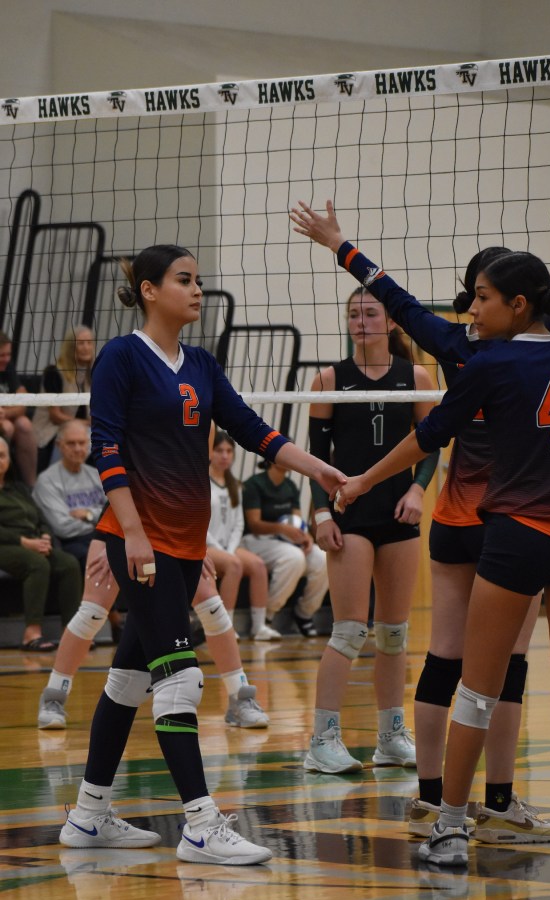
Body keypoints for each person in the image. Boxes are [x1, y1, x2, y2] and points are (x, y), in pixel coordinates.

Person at [290, 170, 550, 834]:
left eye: (481, 298)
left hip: (458, 523)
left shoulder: (458, 347)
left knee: (447, 659)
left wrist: (340, 245)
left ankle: (435, 798)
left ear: (503, 303)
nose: (475, 309)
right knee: (508, 667)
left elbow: (398, 301)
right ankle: (495, 802)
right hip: (518, 525)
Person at [336, 249, 550, 880]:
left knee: (474, 687)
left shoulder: (488, 361)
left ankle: (447, 827)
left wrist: (364, 479)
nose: (472, 308)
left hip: (514, 536)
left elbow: (430, 434)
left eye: (482, 297)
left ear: (517, 304)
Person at [58, 243, 345, 867]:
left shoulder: (203, 366)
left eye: (198, 280)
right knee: (181, 677)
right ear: (149, 290)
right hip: (140, 540)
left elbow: (253, 429)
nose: (197, 290)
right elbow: (105, 447)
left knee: (130, 679)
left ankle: (86, 817)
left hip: (183, 545)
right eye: (184, 280)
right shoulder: (120, 358)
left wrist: (320, 469)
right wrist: (130, 531)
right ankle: (199, 824)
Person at [302, 287, 437, 774]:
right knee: (350, 629)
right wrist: (320, 515)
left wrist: (419, 489)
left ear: (392, 323)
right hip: (349, 515)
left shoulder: (415, 376)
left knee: (395, 635)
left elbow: (430, 445)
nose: (361, 321)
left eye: (371, 313)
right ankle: (322, 739)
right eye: (354, 314)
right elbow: (316, 461)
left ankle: (390, 737)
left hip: (397, 514)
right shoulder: (329, 379)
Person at [37, 537, 270, 731]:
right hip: (124, 524)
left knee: (212, 607)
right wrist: (118, 542)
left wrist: (198, 540)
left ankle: (240, 697)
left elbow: (189, 491)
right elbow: (121, 488)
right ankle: (53, 697)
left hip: (174, 528)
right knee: (92, 612)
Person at [0, 434, 81, 651]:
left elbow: (40, 516)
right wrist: (23, 541)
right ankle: (32, 632)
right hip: (6, 544)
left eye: (2, 456)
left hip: (33, 542)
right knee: (37, 564)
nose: (0, 461)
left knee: (68, 563)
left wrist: (45, 535)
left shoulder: (18, 488)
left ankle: (71, 632)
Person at [207, 430, 281, 641]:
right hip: (205, 545)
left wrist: (230, 549)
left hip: (228, 547)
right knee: (234, 565)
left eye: (229, 451)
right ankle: (225, 627)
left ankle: (259, 627)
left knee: (257, 565)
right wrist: (224, 552)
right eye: (219, 450)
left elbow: (239, 523)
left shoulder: (235, 485)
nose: (225, 455)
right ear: (210, 453)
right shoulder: (201, 481)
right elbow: (199, 523)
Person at [240, 460, 328, 637]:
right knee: (294, 557)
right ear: (272, 458)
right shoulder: (254, 484)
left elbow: (296, 521)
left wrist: (306, 538)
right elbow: (254, 524)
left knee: (322, 558)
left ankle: (304, 613)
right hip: (256, 540)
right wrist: (281, 528)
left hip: (285, 541)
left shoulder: (290, 486)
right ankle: (267, 615)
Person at [32, 419, 106, 573]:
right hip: (69, 543)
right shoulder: (47, 481)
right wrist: (100, 521)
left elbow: (113, 512)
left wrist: (88, 515)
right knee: (94, 557)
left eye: (82, 442)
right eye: (71, 443)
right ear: (59, 446)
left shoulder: (96, 475)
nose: (78, 448)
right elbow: (63, 527)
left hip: (101, 535)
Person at [32, 324, 94, 472]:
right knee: (88, 436)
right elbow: (55, 416)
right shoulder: (53, 373)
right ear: (71, 347)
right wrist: (86, 423)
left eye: (89, 343)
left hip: (83, 427)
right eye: (81, 343)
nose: (86, 347)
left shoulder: (92, 375)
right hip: (52, 428)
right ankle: (59, 475)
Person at [0, 330, 37, 487]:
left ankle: (31, 487)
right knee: (7, 427)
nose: (6, 359)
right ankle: (5, 482)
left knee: (24, 424)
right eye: (2, 355)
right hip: (5, 423)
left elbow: (23, 403)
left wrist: (5, 411)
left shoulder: (8, 367)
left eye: (9, 354)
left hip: (6, 416)